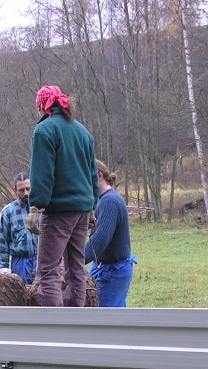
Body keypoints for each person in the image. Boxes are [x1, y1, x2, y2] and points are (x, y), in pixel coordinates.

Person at [29, 85, 98, 307]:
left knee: (47, 272)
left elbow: (42, 174)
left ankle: (55, 330)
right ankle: (75, 325)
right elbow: (92, 174)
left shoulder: (45, 131)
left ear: (43, 106)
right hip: (82, 211)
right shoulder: (83, 132)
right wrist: (91, 207)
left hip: (59, 211)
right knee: (76, 269)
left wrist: (36, 207)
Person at [84, 160, 137, 307]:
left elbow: (100, 240)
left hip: (113, 271)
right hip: (103, 267)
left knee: (106, 321)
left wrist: (75, 262)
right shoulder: (103, 199)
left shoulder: (109, 202)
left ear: (99, 176)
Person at [0, 173, 38, 285]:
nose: (26, 193)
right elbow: (2, 242)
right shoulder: (8, 212)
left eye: (28, 189)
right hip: (20, 262)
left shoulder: (44, 209)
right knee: (22, 298)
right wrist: (3, 268)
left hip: (43, 260)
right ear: (15, 190)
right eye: (21, 190)